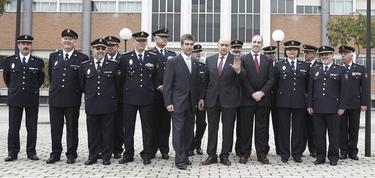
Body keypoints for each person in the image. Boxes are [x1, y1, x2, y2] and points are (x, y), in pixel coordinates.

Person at [46, 29, 89, 164]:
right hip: (55, 99)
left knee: (72, 128)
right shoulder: (54, 56)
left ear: (75, 41)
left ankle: (71, 154)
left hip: (72, 99)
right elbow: (51, 76)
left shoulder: (82, 58)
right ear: (61, 40)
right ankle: (55, 153)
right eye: (65, 38)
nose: (67, 41)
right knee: (55, 129)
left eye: (70, 39)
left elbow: (83, 80)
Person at [163, 34, 203, 170]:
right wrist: (168, 102)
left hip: (191, 104)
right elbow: (167, 84)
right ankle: (179, 160)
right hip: (177, 104)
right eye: (187, 44)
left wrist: (198, 100)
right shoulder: (172, 62)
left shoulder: (195, 63)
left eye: (191, 44)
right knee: (178, 131)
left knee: (188, 132)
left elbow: (196, 84)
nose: (189, 47)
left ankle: (185, 156)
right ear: (181, 45)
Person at [201, 38, 244, 166]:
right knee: (212, 128)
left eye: (226, 45)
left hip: (229, 101)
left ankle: (225, 155)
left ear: (230, 47)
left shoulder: (235, 60)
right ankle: (211, 155)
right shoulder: (210, 60)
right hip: (212, 99)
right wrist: (202, 98)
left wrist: (238, 70)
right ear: (218, 46)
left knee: (228, 129)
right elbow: (205, 81)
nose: (224, 47)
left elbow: (243, 78)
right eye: (222, 45)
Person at [3, 34, 45, 162]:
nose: (25, 46)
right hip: (15, 98)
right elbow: (7, 79)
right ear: (18, 45)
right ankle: (12, 152)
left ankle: (31, 152)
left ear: (31, 46)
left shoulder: (38, 62)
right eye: (23, 43)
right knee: (13, 127)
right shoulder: (10, 61)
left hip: (31, 98)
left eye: (28, 44)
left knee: (32, 127)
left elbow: (40, 80)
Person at [119, 31, 158, 165]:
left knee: (147, 128)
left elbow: (155, 77)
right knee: (128, 128)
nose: (141, 43)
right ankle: (128, 153)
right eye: (139, 41)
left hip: (146, 98)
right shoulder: (125, 58)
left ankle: (147, 154)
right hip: (129, 98)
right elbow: (121, 78)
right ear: (134, 42)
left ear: (146, 42)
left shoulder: (152, 57)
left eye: (144, 41)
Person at [80, 38, 120, 165]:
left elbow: (117, 85)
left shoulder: (113, 65)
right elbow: (82, 85)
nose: (101, 51)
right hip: (92, 104)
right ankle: (92, 155)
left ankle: (106, 156)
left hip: (108, 104)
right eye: (98, 48)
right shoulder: (85, 65)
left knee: (107, 131)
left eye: (103, 48)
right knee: (92, 132)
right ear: (93, 50)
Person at [307, 45, 348, 166]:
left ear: (332, 55)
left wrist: (342, 106)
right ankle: (320, 156)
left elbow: (344, 91)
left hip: (334, 108)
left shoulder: (340, 69)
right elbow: (310, 90)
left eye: (327, 54)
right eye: (322, 55)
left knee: (334, 134)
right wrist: (309, 104)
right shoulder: (315, 70)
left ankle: (333, 157)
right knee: (319, 134)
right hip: (317, 107)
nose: (324, 56)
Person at [238, 35, 274, 164]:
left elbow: (271, 79)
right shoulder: (243, 59)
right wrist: (252, 93)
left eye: (259, 42)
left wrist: (262, 92)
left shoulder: (268, 60)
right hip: (248, 99)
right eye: (254, 41)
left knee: (262, 128)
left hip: (263, 100)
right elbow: (242, 79)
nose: (256, 44)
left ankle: (261, 153)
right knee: (245, 128)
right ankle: (244, 153)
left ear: (262, 44)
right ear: (251, 43)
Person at [274, 40, 309, 163]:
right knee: (283, 128)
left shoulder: (305, 66)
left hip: (299, 102)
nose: (292, 51)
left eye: (294, 49)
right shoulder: (278, 65)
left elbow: (308, 86)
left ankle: (297, 153)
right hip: (283, 102)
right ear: (286, 52)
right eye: (289, 49)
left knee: (298, 129)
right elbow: (275, 85)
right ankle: (284, 153)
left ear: (298, 51)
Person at [149, 28, 177, 159]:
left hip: (168, 95)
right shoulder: (150, 54)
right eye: (162, 37)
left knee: (166, 124)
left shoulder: (172, 54)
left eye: (166, 37)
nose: (165, 39)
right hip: (155, 95)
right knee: (153, 123)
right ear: (155, 39)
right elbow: (149, 74)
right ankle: (153, 149)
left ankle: (164, 149)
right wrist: (158, 86)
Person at [339, 45, 369, 161]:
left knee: (353, 128)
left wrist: (364, 103)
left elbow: (365, 88)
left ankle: (353, 151)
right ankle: (343, 151)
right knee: (341, 129)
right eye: (342, 54)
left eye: (345, 53)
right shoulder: (338, 68)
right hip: (341, 105)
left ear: (352, 55)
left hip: (355, 104)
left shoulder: (360, 69)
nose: (343, 55)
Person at [104, 35, 124, 159]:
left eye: (113, 45)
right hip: (105, 98)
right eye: (108, 45)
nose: (110, 48)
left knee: (118, 125)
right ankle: (105, 148)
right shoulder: (100, 58)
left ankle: (117, 149)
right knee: (105, 125)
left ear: (118, 46)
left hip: (120, 98)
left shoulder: (123, 59)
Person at [301, 44, 321, 158]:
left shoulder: (319, 65)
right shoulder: (302, 65)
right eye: (304, 53)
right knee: (302, 127)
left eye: (307, 53)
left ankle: (314, 149)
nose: (305, 55)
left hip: (314, 101)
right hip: (302, 101)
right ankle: (300, 149)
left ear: (313, 54)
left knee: (314, 127)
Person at [188, 44, 206, 156]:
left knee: (202, 124)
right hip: (189, 101)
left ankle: (197, 144)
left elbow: (205, 84)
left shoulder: (203, 66)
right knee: (189, 124)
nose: (198, 53)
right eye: (196, 51)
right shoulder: (187, 65)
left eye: (199, 51)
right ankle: (189, 146)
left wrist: (202, 98)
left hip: (201, 101)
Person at [262, 45, 280, 156]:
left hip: (277, 100)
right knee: (264, 125)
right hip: (265, 98)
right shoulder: (263, 65)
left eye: (273, 53)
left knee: (278, 125)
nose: (271, 55)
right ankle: (264, 148)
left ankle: (279, 148)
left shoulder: (279, 66)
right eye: (268, 54)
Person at [230, 39, 244, 156]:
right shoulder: (227, 60)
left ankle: (239, 149)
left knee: (241, 125)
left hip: (242, 98)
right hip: (228, 98)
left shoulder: (244, 60)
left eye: (238, 47)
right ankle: (227, 149)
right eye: (234, 47)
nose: (236, 49)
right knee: (229, 124)